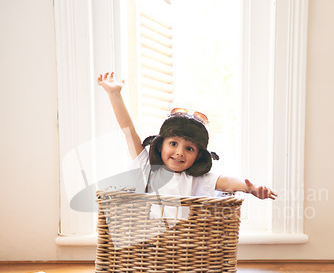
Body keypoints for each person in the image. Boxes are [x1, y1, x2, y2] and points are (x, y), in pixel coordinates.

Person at [98, 72, 277, 200]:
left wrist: (250, 188)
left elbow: (226, 181)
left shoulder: (195, 179)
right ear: (160, 145)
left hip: (184, 247)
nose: (180, 152)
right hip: (148, 248)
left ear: (198, 155)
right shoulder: (146, 167)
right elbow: (128, 131)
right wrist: (114, 94)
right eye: (173, 143)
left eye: (189, 148)